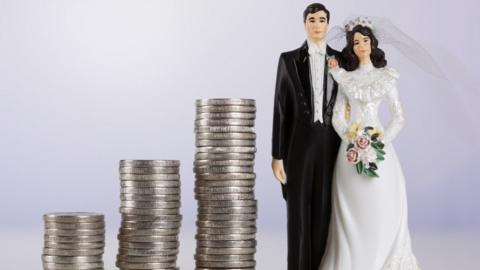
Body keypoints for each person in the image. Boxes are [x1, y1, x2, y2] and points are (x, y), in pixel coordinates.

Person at [319, 18, 421, 270]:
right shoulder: (346, 78)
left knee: (382, 201)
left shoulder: (386, 77)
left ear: (372, 43)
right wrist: (353, 141)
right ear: (351, 47)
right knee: (354, 206)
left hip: (379, 148)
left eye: (365, 40)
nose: (361, 45)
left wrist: (380, 141)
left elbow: (399, 116)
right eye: (356, 42)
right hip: (351, 149)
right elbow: (337, 117)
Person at [271, 3, 348, 269]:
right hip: (298, 145)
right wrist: (277, 155)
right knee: (297, 211)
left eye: (322, 19)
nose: (317, 24)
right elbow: (281, 108)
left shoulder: (342, 60)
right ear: (305, 23)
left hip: (330, 143)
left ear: (328, 24)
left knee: (324, 210)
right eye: (312, 19)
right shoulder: (288, 59)